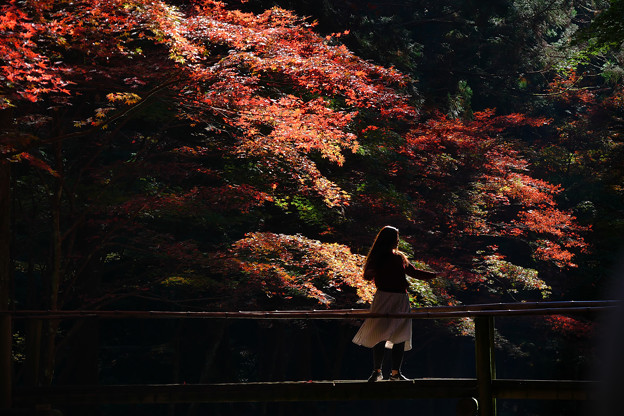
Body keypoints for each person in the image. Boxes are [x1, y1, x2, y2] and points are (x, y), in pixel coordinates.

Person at [352, 225, 437, 382]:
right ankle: (377, 372)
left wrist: (433, 275)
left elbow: (413, 272)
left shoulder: (398, 257)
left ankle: (395, 373)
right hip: (384, 298)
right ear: (390, 239)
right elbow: (367, 275)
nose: (398, 240)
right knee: (380, 334)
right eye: (396, 237)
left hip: (399, 299)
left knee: (400, 335)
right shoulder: (379, 257)